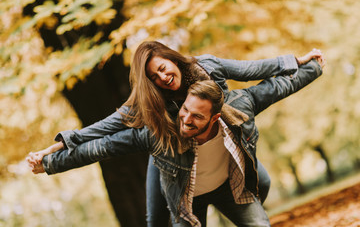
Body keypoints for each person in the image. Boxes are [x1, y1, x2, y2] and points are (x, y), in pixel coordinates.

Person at [27, 41, 323, 226]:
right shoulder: (156, 121)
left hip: (223, 160)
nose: (163, 78)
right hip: (174, 164)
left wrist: (301, 63)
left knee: (261, 184)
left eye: (163, 69)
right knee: (156, 220)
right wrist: (51, 154)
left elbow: (259, 73)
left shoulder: (216, 80)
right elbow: (100, 140)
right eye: (154, 78)